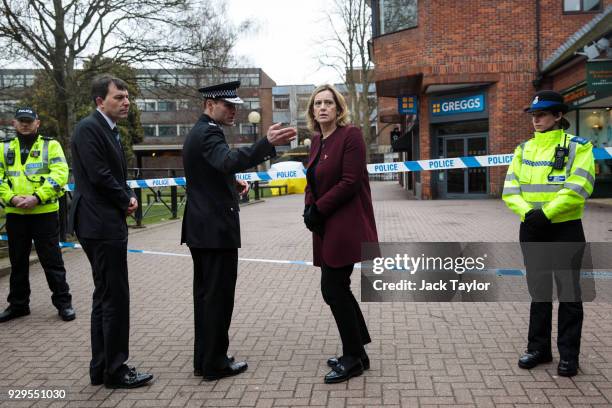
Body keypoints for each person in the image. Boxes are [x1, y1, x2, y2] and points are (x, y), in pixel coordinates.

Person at [182, 81, 296, 381]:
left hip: (202, 229)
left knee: (206, 298)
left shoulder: (200, 131)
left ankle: (205, 359)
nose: (234, 111)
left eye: (235, 106)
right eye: (227, 105)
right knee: (218, 299)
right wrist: (266, 144)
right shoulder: (209, 132)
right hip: (214, 231)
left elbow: (210, 170)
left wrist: (231, 182)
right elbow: (228, 160)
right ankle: (215, 364)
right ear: (210, 105)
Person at [502, 90, 595, 377]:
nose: (536, 119)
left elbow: (579, 187)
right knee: (538, 292)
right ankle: (538, 349)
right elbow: (510, 189)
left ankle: (569, 355)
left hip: (565, 228)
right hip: (532, 227)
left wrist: (546, 213)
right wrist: (529, 214)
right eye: (534, 114)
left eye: (542, 114)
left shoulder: (580, 147)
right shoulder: (523, 149)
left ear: (558, 115)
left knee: (569, 295)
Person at [70, 75, 153, 389]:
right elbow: (100, 175)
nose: (126, 102)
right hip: (99, 223)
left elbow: (114, 173)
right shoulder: (89, 128)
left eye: (127, 96)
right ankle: (116, 371)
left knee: (104, 295)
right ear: (99, 101)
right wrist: (126, 198)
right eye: (119, 97)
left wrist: (126, 192)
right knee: (114, 297)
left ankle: (101, 367)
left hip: (102, 221)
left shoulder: (107, 130)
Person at [302, 84, 379, 384]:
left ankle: (353, 358)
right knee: (338, 289)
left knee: (333, 289)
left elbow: (349, 182)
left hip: (345, 224)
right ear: (312, 111)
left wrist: (319, 209)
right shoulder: (316, 141)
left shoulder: (351, 136)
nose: (322, 107)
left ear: (338, 109)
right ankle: (358, 353)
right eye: (317, 103)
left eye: (328, 103)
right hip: (324, 225)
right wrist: (310, 207)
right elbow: (311, 180)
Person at [0, 107, 75, 323]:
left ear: (37, 123)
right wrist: (13, 198)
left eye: (29, 121)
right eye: (21, 121)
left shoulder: (50, 145)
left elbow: (60, 174)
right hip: (16, 213)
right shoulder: (4, 148)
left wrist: (37, 197)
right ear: (14, 123)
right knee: (18, 262)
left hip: (44, 212)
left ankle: (64, 303)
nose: (25, 124)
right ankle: (18, 305)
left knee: (52, 261)